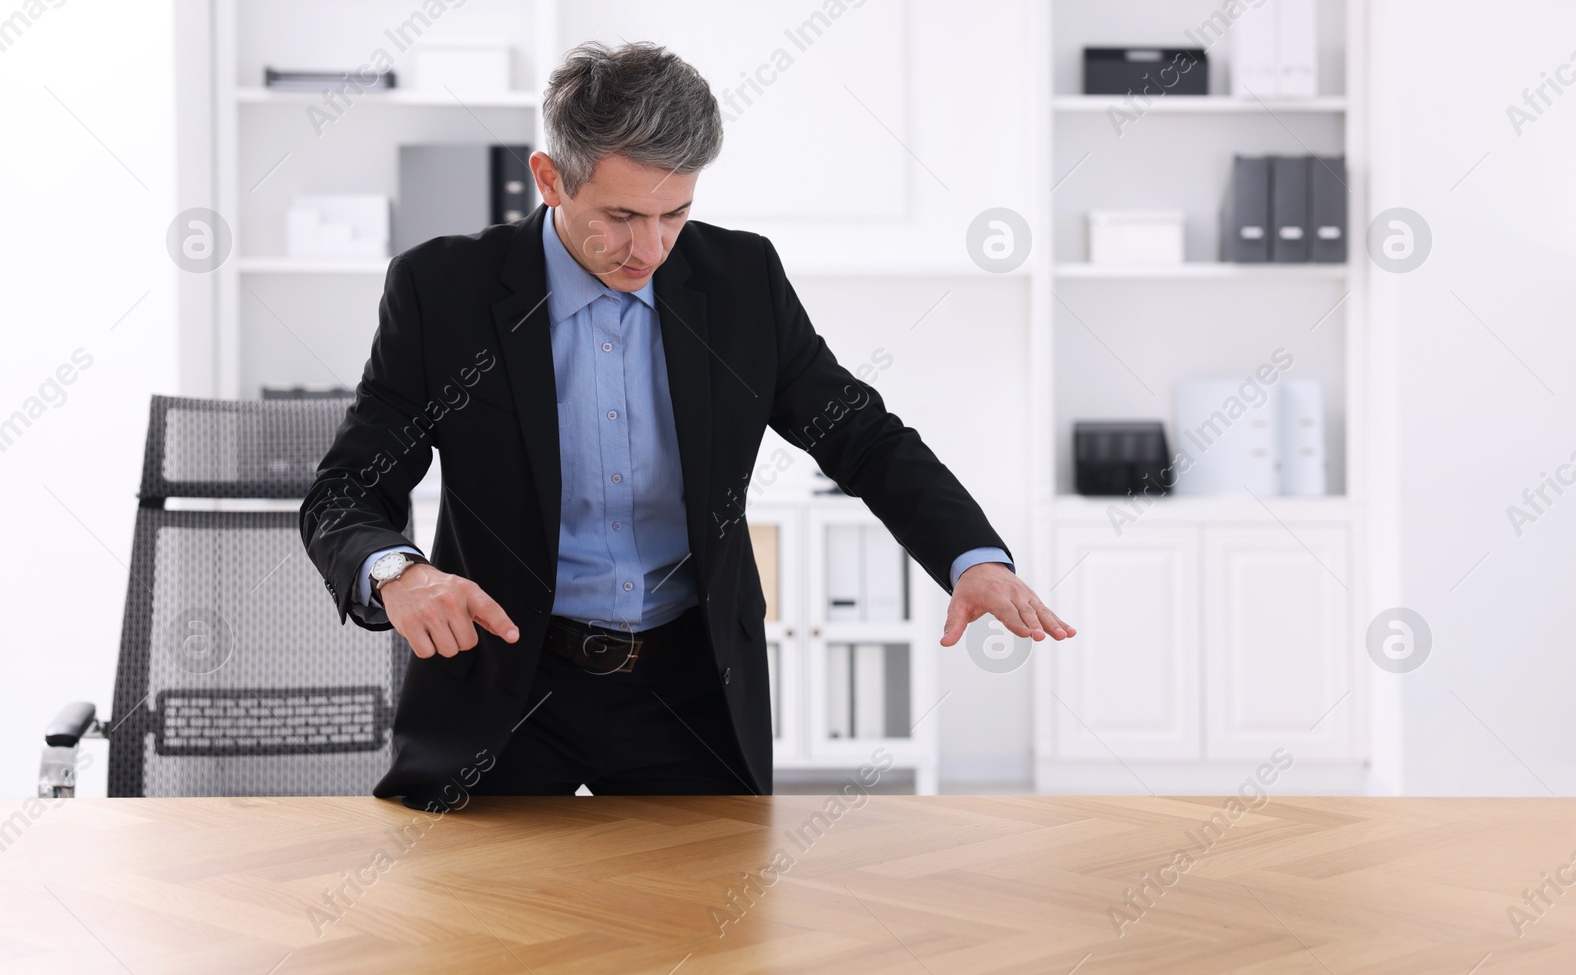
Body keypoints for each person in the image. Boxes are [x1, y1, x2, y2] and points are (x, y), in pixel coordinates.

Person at [300, 41, 1073, 808]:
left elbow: (861, 435)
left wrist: (972, 558)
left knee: (708, 928)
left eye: (676, 213)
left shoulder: (741, 281)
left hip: (687, 687)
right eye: (622, 215)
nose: (651, 248)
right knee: (471, 924)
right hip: (503, 677)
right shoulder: (444, 291)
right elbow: (346, 491)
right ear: (549, 179)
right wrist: (399, 573)